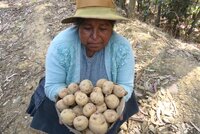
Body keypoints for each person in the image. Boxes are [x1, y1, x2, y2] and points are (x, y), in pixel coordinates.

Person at [26, 0, 139, 133]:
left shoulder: (122, 48)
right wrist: (64, 103)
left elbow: (125, 85)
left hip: (106, 105)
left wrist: (118, 104)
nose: (95, 36)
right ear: (77, 26)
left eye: (103, 28)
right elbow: (53, 84)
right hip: (70, 101)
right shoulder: (60, 46)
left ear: (112, 28)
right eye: (87, 28)